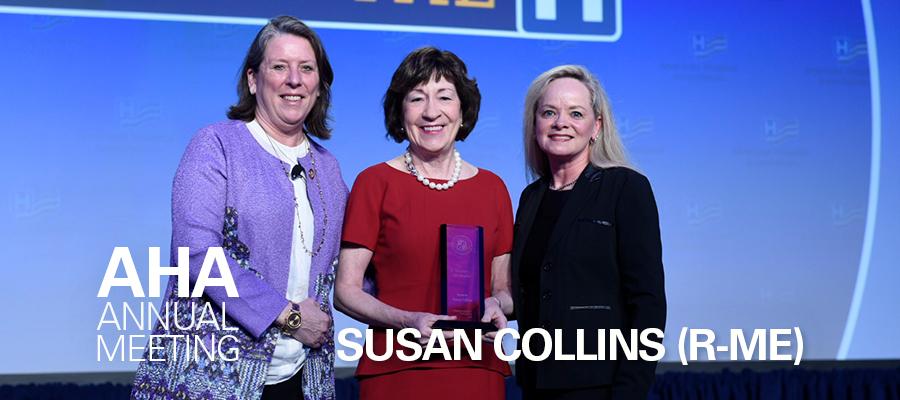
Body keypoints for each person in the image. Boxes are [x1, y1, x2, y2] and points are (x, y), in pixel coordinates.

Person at [131, 16, 346, 400]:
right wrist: (290, 317)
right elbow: (195, 254)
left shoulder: (327, 167)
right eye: (279, 66)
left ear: (318, 85)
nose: (293, 79)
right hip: (211, 376)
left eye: (306, 68)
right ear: (253, 80)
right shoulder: (216, 145)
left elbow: (349, 268)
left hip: (302, 378)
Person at [335, 47, 514, 400]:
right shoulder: (375, 183)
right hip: (397, 370)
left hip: (476, 369)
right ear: (401, 115)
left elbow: (504, 291)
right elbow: (346, 292)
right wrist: (407, 321)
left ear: (463, 111)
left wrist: (496, 306)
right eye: (417, 99)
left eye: (445, 97)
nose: (432, 112)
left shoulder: (493, 189)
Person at [511, 65, 666, 400]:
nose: (560, 123)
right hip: (536, 384)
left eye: (575, 113)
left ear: (596, 126)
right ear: (535, 123)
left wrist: (629, 391)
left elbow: (648, 303)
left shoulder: (626, 188)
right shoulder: (530, 199)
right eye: (549, 112)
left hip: (603, 386)